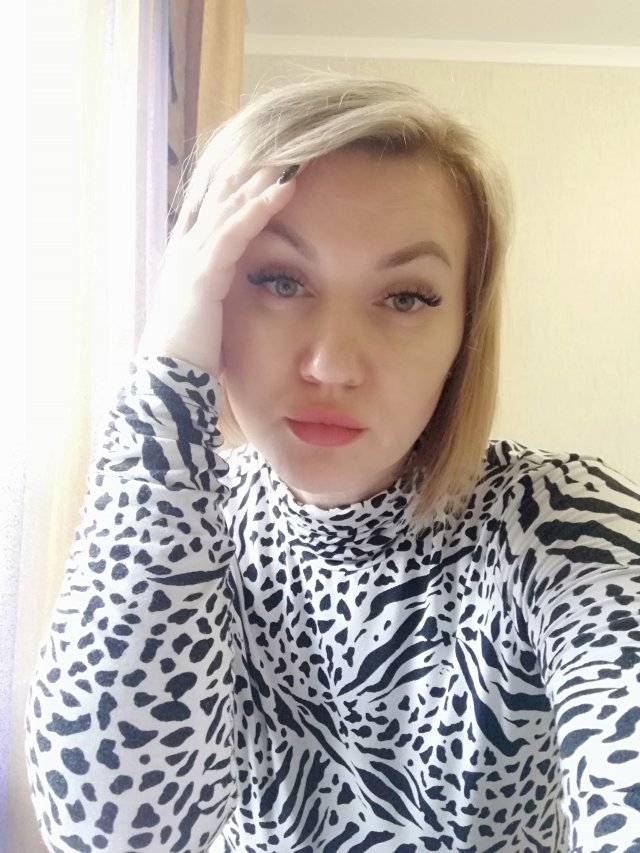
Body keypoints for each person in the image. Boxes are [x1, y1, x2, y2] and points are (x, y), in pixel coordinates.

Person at [25, 73, 640, 853]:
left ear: (463, 334)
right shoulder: (190, 525)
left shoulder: (561, 527)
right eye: (281, 281)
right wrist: (165, 378)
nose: (332, 365)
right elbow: (113, 832)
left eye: (406, 297)